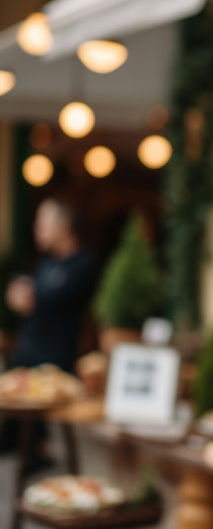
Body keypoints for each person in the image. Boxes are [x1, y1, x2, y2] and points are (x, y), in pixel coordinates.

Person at [1, 197, 97, 464]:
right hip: (26, 359)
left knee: (31, 449)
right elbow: (29, 292)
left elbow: (48, 298)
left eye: (43, 222)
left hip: (54, 367)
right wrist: (14, 293)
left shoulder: (82, 264)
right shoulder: (46, 262)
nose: (37, 228)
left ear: (63, 226)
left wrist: (28, 294)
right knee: (11, 441)